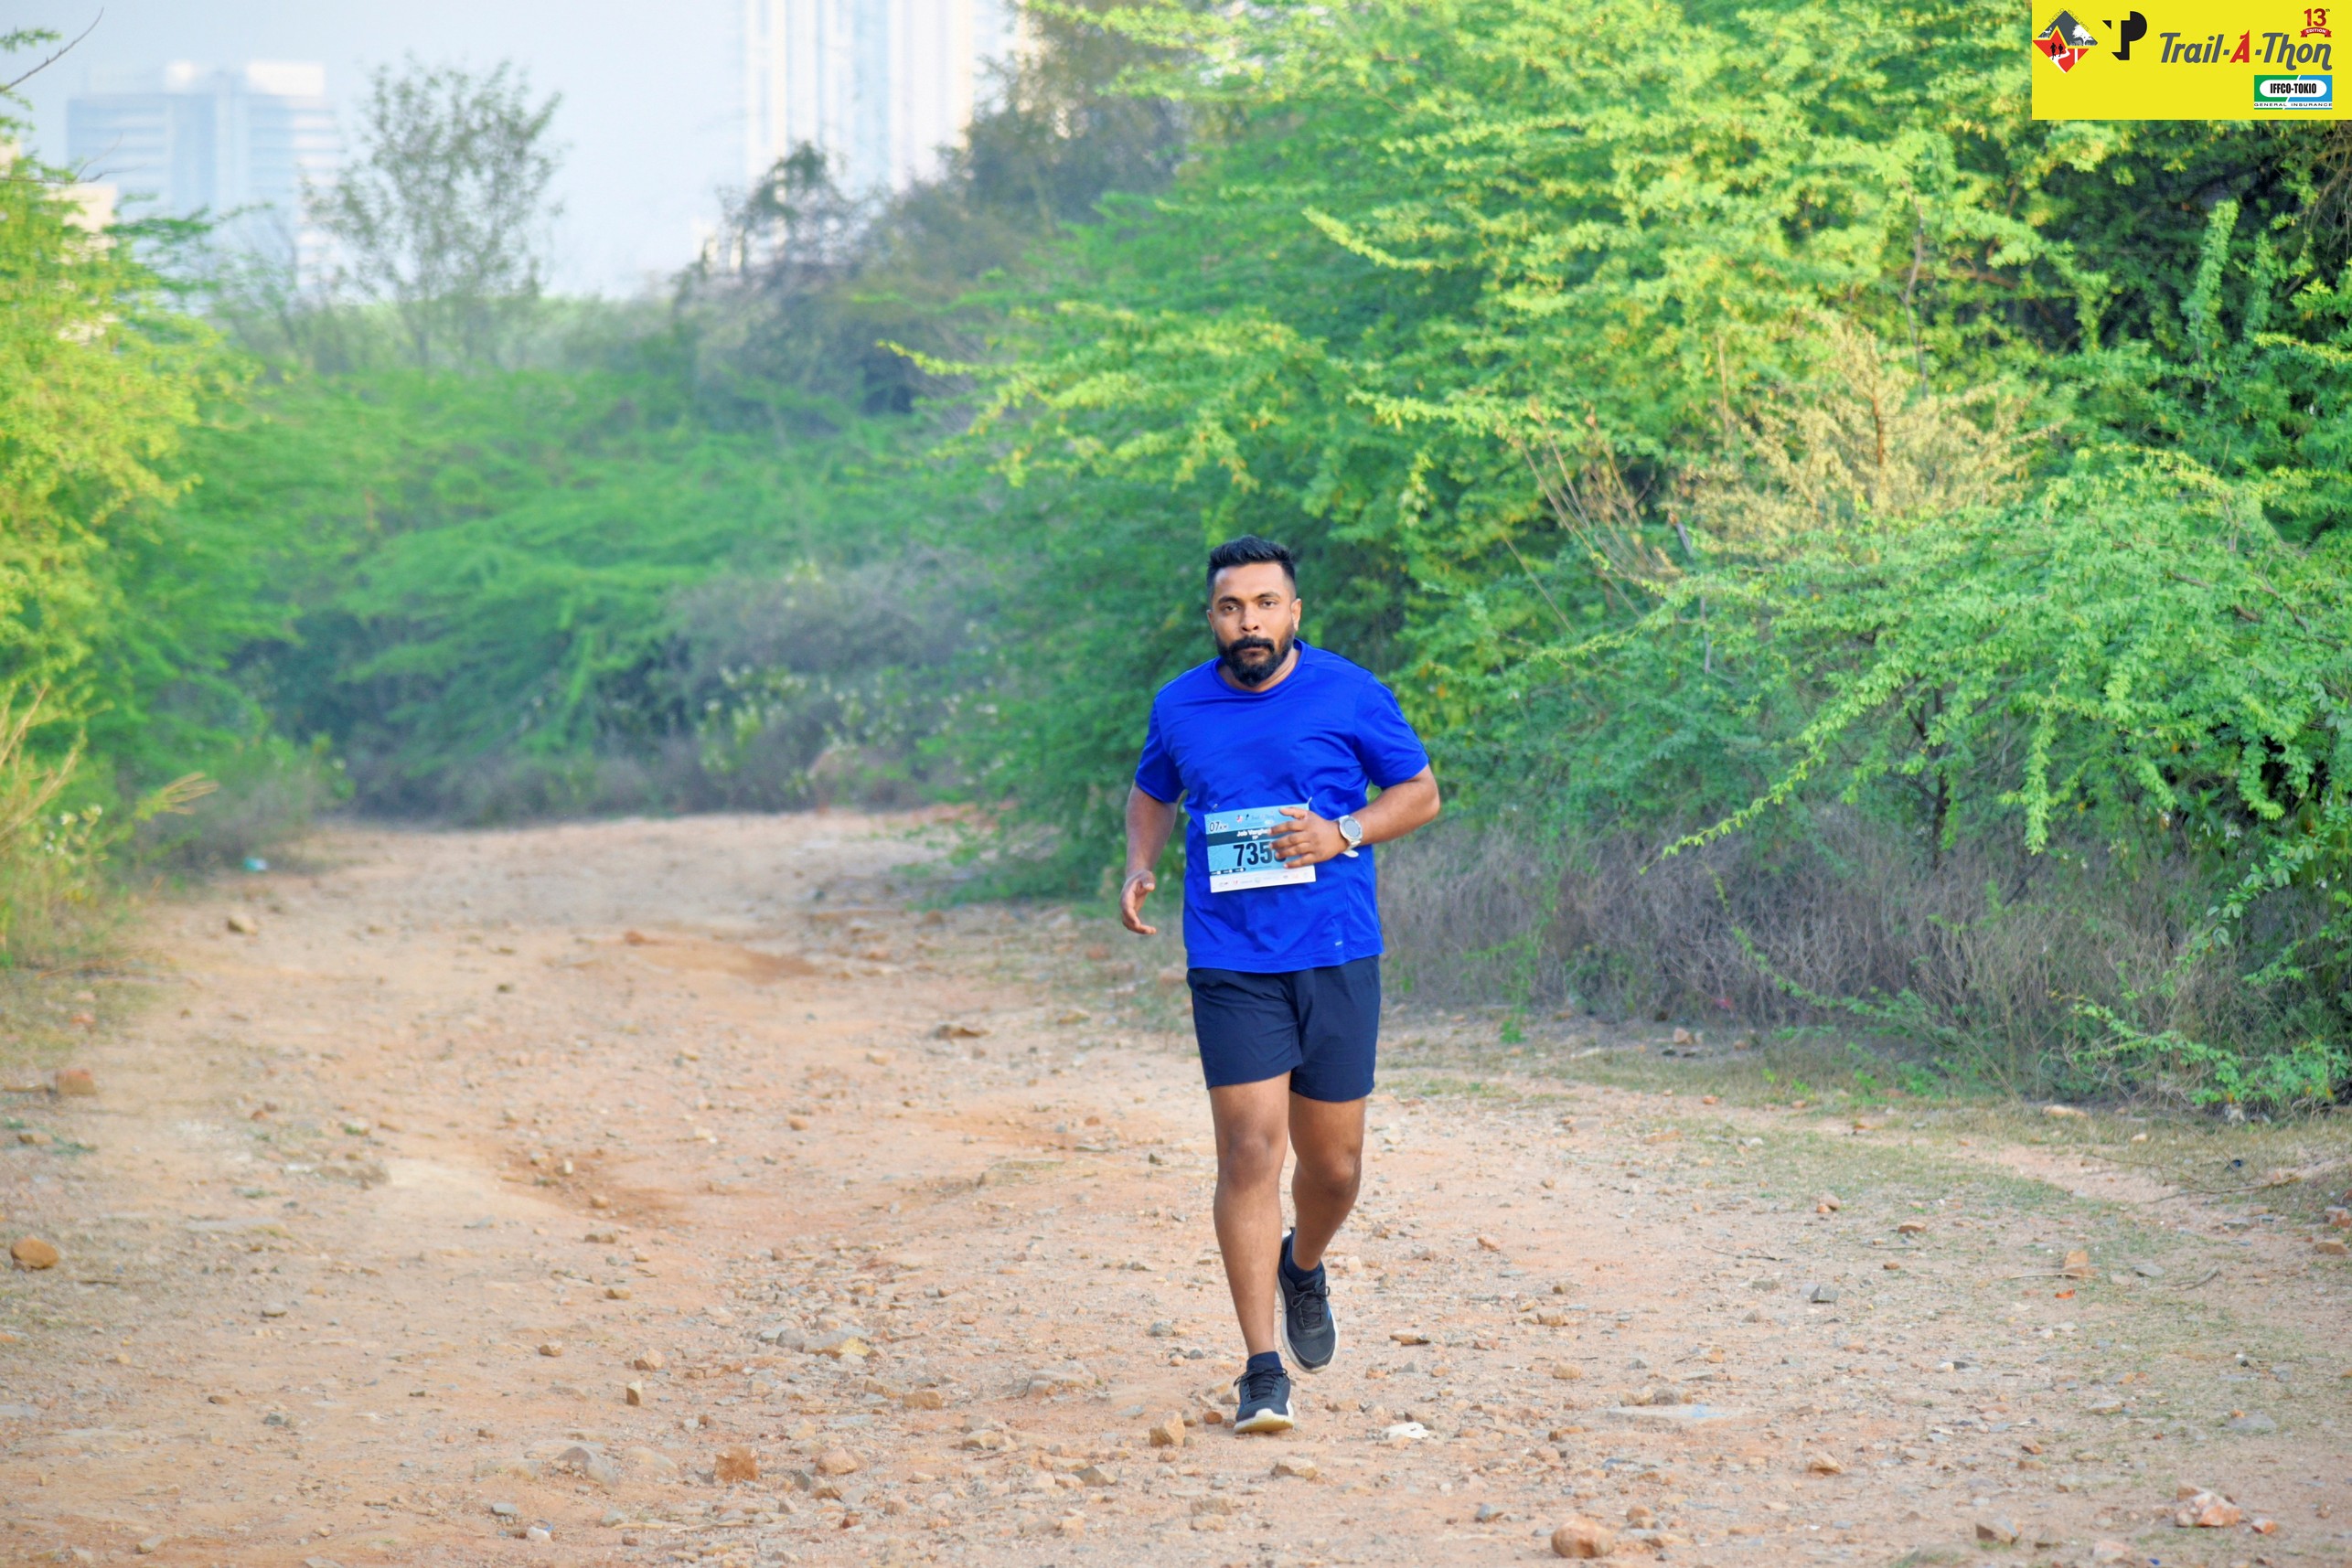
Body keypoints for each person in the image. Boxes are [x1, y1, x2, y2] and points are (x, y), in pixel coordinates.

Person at [1121, 535, 1441, 1434]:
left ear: (1294, 612)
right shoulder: (1179, 703)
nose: (1249, 622)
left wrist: (1344, 831)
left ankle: (1302, 1263)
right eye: (1232, 607)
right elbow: (1152, 791)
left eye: (1266, 604)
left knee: (1333, 1168)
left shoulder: (1349, 690)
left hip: (1335, 949)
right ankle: (1262, 1369)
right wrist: (1140, 862)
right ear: (1212, 617)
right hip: (1230, 958)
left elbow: (1419, 792)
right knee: (1249, 1151)